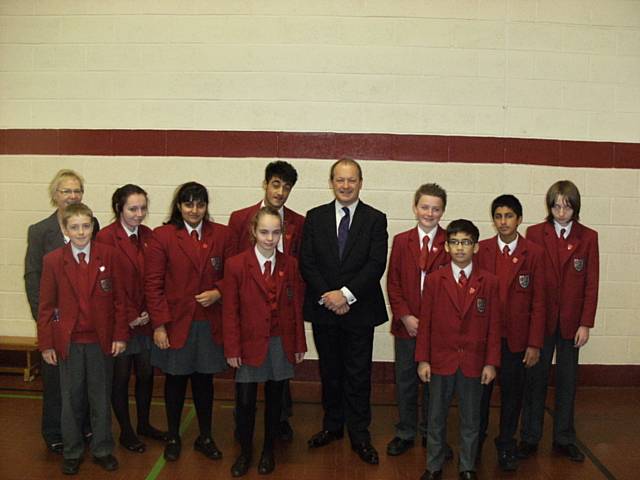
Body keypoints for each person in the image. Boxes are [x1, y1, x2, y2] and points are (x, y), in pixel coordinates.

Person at [300, 158, 388, 465]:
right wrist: (329, 296)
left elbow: (376, 264)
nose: (346, 185)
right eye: (340, 180)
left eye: (351, 180)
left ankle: (360, 434)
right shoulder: (315, 217)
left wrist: (346, 295)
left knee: (358, 374)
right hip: (325, 309)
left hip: (360, 309)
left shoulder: (376, 219)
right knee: (330, 372)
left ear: (361, 183)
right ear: (331, 182)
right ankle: (332, 426)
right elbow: (307, 262)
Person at [145, 181, 236, 462]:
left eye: (200, 204)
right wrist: (159, 325)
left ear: (207, 207)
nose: (194, 210)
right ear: (179, 206)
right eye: (188, 204)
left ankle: (205, 436)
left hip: (208, 323)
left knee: (204, 383)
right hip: (176, 323)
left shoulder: (222, 234)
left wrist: (219, 292)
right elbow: (153, 284)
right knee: (175, 381)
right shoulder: (163, 236)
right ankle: (173, 435)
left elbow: (233, 276)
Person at [37, 203, 128, 475]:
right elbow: (47, 306)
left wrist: (120, 335)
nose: (81, 232)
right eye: (74, 227)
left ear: (92, 226)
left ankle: (102, 449)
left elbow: (120, 301)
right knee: (71, 399)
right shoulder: (53, 260)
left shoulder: (109, 256)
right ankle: (72, 450)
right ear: (65, 230)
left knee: (100, 398)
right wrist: (47, 343)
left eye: (85, 226)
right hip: (69, 343)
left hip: (101, 341)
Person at [223, 206, 306, 477]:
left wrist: (299, 344)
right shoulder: (236, 265)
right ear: (253, 232)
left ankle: (268, 451)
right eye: (264, 232)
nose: (270, 238)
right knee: (245, 403)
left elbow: (296, 307)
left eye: (275, 232)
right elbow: (230, 312)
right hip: (249, 343)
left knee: (275, 401)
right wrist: (233, 348)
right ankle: (245, 452)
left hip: (280, 342)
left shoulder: (290, 265)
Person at [520, 181, 599, 463]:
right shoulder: (534, 234)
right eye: (556, 205)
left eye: (567, 206)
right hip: (540, 322)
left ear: (575, 207)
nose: (561, 211)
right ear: (549, 206)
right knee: (535, 380)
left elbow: (591, 283)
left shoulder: (588, 237)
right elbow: (527, 282)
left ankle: (564, 437)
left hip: (571, 324)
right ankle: (529, 436)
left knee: (567, 381)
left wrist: (585, 323)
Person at [416, 219, 501, 480]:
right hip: (441, 360)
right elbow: (426, 324)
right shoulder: (434, 280)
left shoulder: (489, 282)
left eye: (466, 242)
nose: (460, 248)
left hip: (474, 363)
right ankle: (433, 465)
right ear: (447, 247)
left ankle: (467, 467)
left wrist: (491, 363)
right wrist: (423, 360)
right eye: (454, 243)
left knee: (471, 420)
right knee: (436, 418)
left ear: (475, 247)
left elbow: (495, 326)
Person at [227, 160, 304, 441]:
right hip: (249, 313)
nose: (280, 191)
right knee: (246, 384)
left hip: (280, 310)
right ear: (265, 184)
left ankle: (280, 421)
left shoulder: (299, 222)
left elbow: (300, 270)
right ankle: (242, 425)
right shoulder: (240, 218)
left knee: (279, 378)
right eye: (276, 184)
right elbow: (231, 263)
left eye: (287, 187)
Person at [24, 169, 98, 454]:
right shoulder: (40, 231)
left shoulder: (93, 225)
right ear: (55, 196)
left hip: (85, 325)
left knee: (85, 382)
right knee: (56, 382)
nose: (72, 195)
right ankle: (54, 432)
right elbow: (33, 277)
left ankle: (84, 427)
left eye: (77, 190)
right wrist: (44, 322)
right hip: (56, 323)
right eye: (66, 191)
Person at [475, 195, 545, 471]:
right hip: (485, 339)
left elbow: (539, 302)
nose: (503, 222)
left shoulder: (534, 253)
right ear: (493, 220)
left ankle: (506, 443)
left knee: (513, 394)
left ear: (519, 219)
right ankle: (475, 442)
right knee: (480, 395)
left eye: (509, 216)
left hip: (517, 340)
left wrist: (534, 343)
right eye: (498, 216)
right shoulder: (481, 250)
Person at [95, 185, 167, 453]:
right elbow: (105, 285)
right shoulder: (104, 238)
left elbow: (157, 277)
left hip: (146, 320)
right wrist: (128, 317)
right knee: (121, 377)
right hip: (121, 321)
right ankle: (126, 430)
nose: (139, 214)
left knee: (147, 374)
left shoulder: (150, 236)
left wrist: (150, 312)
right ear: (119, 209)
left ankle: (144, 424)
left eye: (143, 209)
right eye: (132, 209)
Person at [386, 183, 452, 458]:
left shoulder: (451, 241)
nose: (429, 213)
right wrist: (405, 315)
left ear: (443, 211)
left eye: (436, 209)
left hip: (438, 330)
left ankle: (431, 434)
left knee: (435, 384)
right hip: (407, 326)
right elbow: (394, 282)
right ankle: (405, 431)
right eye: (425, 207)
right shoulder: (402, 241)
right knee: (406, 380)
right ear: (415, 208)